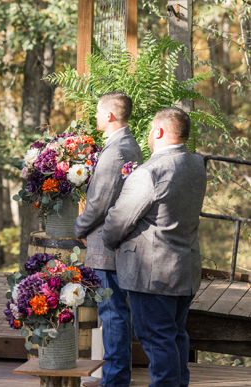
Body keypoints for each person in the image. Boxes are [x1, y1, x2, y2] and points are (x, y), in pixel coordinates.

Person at [102, 107, 206, 387]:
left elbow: (118, 222)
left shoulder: (149, 173)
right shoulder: (197, 163)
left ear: (159, 132)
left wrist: (107, 239)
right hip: (185, 268)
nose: (148, 135)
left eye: (150, 130)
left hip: (152, 275)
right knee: (175, 335)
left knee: (157, 340)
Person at [73, 92, 143, 387]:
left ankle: (115, 381)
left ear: (110, 116)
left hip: (106, 242)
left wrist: (78, 229)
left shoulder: (116, 152)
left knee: (112, 312)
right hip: (119, 240)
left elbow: (99, 203)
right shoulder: (129, 145)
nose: (96, 117)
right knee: (114, 311)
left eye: (99, 112)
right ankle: (116, 378)